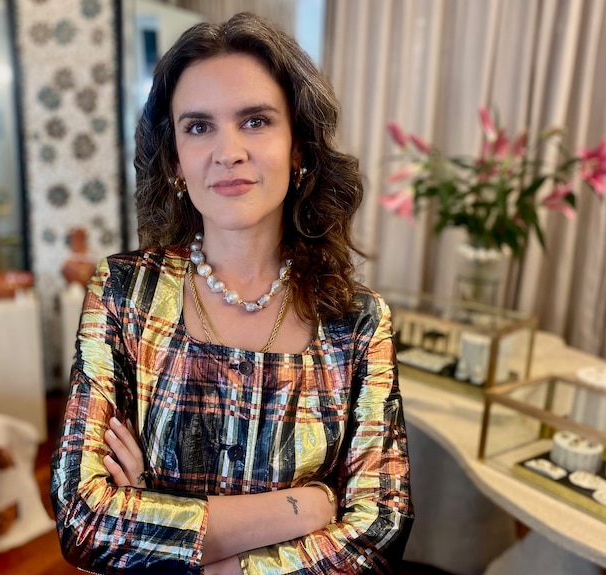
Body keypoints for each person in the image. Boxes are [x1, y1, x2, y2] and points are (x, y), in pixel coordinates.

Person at [51, 12, 412, 575]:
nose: (228, 151)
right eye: (197, 126)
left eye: (255, 121)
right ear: (174, 158)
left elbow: (377, 532)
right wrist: (306, 508)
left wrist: (161, 525)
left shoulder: (359, 322)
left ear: (300, 150)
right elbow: (84, 520)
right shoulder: (124, 291)